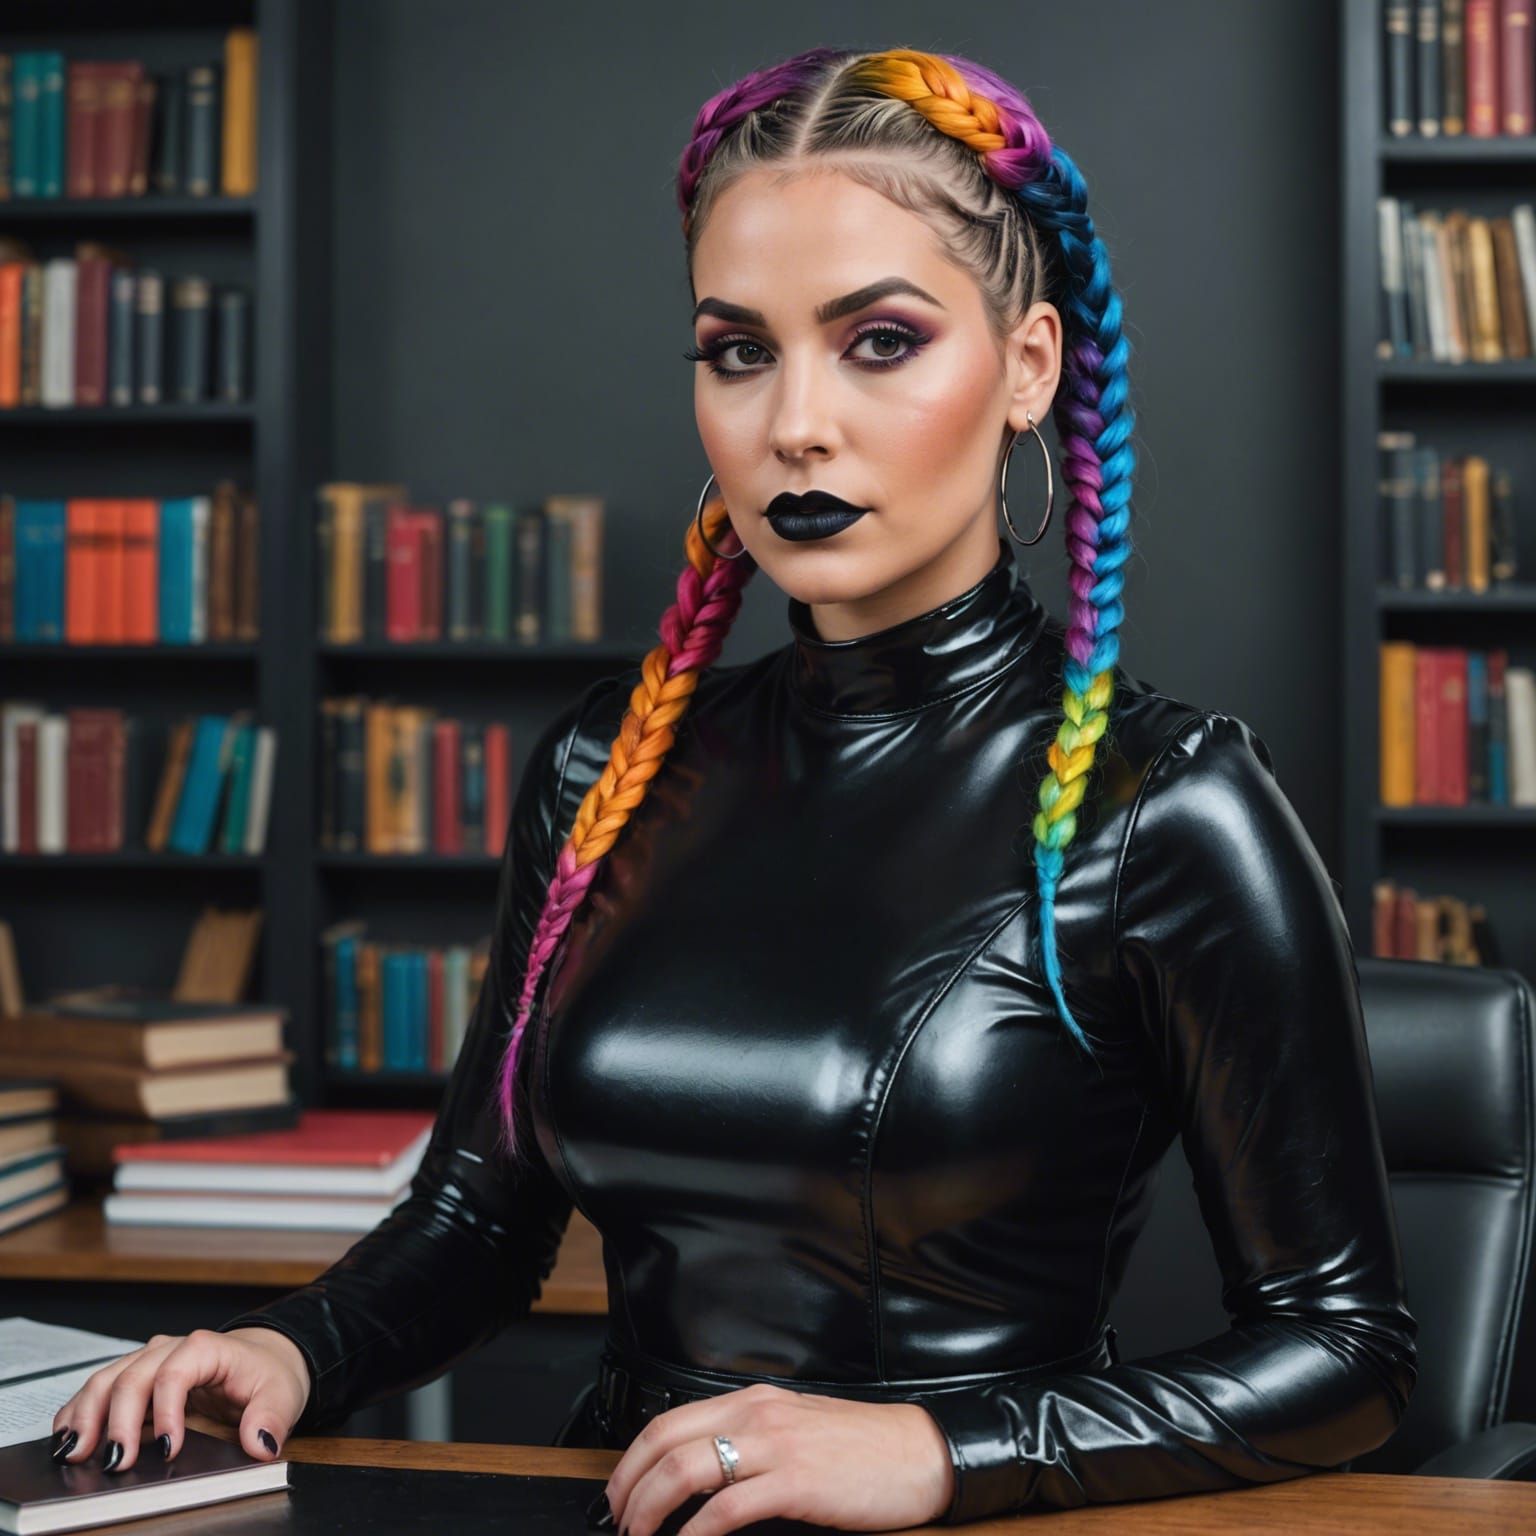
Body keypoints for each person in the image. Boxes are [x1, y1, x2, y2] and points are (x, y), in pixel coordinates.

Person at [49, 44, 1416, 1531]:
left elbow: (1346, 1354)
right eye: (738, 349)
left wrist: (938, 1452)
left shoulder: (1170, 805)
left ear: (1029, 368)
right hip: (621, 1506)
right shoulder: (607, 766)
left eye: (878, 341)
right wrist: (286, 1346)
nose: (793, 425)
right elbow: (480, 1218)